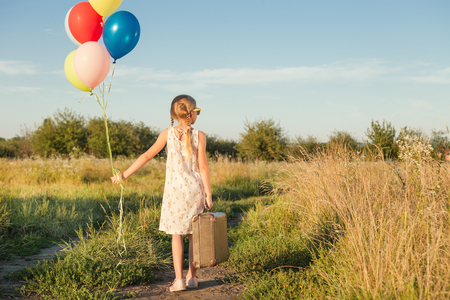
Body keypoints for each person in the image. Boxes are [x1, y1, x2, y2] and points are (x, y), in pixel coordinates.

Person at [111, 94, 213, 292]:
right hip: (195, 191)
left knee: (177, 235)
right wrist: (208, 193)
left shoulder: (167, 134)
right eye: (197, 111)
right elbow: (203, 167)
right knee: (194, 236)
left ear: (174, 115)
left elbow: (147, 155)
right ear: (191, 114)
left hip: (175, 194)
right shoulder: (200, 135)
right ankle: (193, 277)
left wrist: (124, 175)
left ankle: (178, 280)